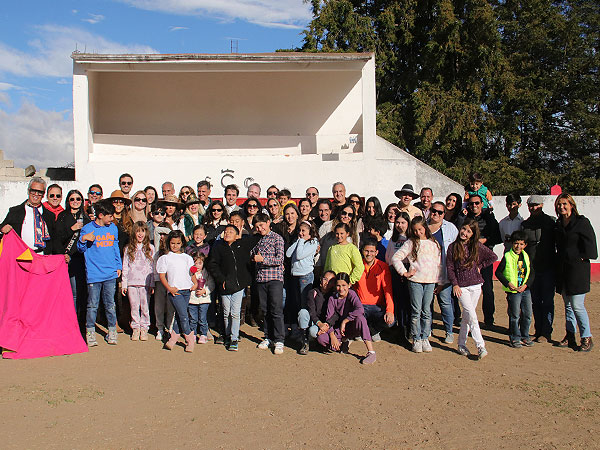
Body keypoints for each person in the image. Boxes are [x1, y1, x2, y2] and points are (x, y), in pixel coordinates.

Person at [446, 219, 498, 359]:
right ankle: (480, 346)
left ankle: (461, 344)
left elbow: (493, 256)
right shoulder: (453, 247)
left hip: (475, 285)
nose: (464, 232)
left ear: (473, 234)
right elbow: (450, 267)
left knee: (468, 317)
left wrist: (480, 267)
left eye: (469, 231)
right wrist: (455, 284)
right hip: (461, 287)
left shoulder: (476, 246)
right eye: (463, 229)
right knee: (472, 315)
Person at [554, 193, 597, 352]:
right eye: (559, 204)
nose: (562, 207)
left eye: (565, 204)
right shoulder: (558, 224)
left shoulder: (582, 222)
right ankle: (570, 335)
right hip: (563, 270)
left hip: (578, 270)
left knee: (577, 305)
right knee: (568, 306)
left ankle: (586, 337)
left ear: (572, 205)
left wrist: (581, 258)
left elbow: (591, 246)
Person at [391, 216, 441, 353]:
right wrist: (404, 272)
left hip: (430, 282)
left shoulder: (433, 243)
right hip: (415, 281)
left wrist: (439, 281)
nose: (418, 232)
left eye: (420, 229)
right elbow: (396, 257)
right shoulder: (411, 243)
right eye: (415, 230)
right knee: (416, 311)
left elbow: (439, 264)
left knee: (426, 311)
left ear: (425, 228)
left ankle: (425, 337)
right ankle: (416, 338)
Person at [77, 200, 122, 347]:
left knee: (110, 304)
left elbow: (115, 247)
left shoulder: (113, 228)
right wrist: (83, 239)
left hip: (110, 273)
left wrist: (118, 265)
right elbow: (80, 249)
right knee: (92, 305)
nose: (112, 219)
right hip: (94, 274)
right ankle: (90, 331)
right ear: (101, 215)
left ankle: (112, 330)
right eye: (109, 216)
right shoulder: (87, 229)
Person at [207, 224, 254, 351]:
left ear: (237, 235)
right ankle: (227, 335)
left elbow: (254, 238)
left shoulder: (242, 245)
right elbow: (213, 264)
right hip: (224, 285)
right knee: (226, 312)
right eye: (226, 231)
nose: (227, 233)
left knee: (235, 312)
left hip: (238, 285)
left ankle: (234, 337)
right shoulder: (218, 247)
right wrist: (220, 279)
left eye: (231, 232)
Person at [316, 272, 377, 364]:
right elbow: (329, 318)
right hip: (338, 330)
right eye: (338, 286)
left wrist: (345, 321)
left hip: (351, 326)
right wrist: (332, 336)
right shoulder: (332, 299)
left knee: (360, 319)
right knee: (321, 338)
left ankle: (371, 352)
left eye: (344, 285)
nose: (341, 289)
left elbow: (360, 309)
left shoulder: (351, 294)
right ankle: (343, 344)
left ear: (349, 285)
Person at [521, 195, 556, 342]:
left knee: (547, 301)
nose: (533, 208)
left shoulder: (551, 222)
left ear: (541, 205)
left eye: (536, 205)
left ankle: (546, 331)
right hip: (532, 268)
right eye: (531, 206)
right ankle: (538, 330)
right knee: (535, 301)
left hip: (548, 266)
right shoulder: (525, 225)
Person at [250, 213, 286, 355]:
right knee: (265, 310)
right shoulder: (257, 240)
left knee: (276, 310)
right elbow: (252, 255)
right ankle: (268, 336)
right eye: (257, 226)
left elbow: (279, 259)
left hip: (275, 279)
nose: (260, 228)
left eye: (262, 225)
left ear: (268, 222)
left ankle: (279, 340)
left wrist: (262, 259)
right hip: (261, 279)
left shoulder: (277, 238)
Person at [156, 230, 197, 352]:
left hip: (187, 289)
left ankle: (173, 339)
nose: (175, 246)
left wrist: (195, 283)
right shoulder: (165, 258)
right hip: (175, 291)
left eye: (178, 243)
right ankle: (190, 339)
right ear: (169, 243)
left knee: (181, 314)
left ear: (182, 243)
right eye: (173, 243)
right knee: (184, 316)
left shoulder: (187, 258)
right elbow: (162, 276)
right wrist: (169, 288)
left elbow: (192, 273)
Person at [54, 189, 90, 327]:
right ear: (68, 201)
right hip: (69, 259)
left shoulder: (86, 218)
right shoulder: (63, 217)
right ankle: (71, 322)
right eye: (72, 199)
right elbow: (57, 238)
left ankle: (82, 321)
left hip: (83, 259)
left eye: (78, 199)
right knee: (73, 293)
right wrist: (72, 228)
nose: (75, 202)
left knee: (83, 293)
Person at [466, 194, 501, 327]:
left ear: (481, 204)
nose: (474, 206)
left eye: (476, 203)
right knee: (468, 289)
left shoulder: (489, 218)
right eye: (471, 204)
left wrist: (485, 241)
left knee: (487, 289)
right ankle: (469, 317)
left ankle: (489, 319)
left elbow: (497, 237)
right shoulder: (466, 218)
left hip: (485, 258)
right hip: (469, 258)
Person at [495, 230, 534, 348]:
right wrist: (508, 284)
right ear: (512, 243)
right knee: (515, 315)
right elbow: (498, 272)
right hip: (514, 291)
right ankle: (514, 337)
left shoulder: (526, 256)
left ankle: (525, 336)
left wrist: (526, 285)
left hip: (525, 290)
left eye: (521, 244)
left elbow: (532, 273)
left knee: (527, 314)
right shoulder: (507, 256)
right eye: (516, 243)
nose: (518, 246)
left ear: (525, 245)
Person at [427, 201, 459, 343]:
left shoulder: (450, 228)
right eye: (434, 210)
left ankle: (449, 331)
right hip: (427, 273)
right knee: (427, 304)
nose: (436, 214)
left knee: (445, 303)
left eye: (440, 212)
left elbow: (457, 249)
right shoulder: (423, 227)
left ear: (444, 214)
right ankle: (427, 329)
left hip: (444, 272)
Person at [354, 239, 395, 342]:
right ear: (362, 251)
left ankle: (372, 331)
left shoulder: (383, 267)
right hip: (361, 306)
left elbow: (387, 290)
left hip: (378, 307)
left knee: (391, 322)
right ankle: (362, 330)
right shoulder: (357, 266)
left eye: (372, 251)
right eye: (366, 251)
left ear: (376, 252)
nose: (369, 254)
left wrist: (389, 311)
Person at [286, 220, 319, 349]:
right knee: (296, 303)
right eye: (300, 230)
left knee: (304, 305)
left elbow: (299, 255)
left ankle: (306, 334)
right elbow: (288, 254)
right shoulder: (299, 242)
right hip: (295, 276)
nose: (301, 233)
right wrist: (298, 241)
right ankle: (299, 330)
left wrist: (300, 242)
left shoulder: (312, 242)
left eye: (304, 231)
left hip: (305, 277)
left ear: (310, 233)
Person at [1, 177, 55, 254]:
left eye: (40, 192)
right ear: (28, 191)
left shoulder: (50, 215)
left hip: (41, 256)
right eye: (33, 191)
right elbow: (2, 227)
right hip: (20, 255)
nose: (36, 194)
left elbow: (55, 239)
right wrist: (2, 229)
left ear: (43, 194)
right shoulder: (15, 211)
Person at [121, 221, 155, 341]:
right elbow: (125, 266)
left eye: (143, 231)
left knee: (145, 306)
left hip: (145, 283)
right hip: (131, 282)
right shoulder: (128, 248)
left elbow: (152, 267)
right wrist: (124, 284)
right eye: (137, 231)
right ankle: (135, 327)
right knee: (134, 306)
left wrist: (152, 283)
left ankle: (144, 327)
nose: (140, 234)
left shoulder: (150, 248)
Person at [297, 270, 336, 355]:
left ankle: (315, 342)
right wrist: (319, 323)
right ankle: (304, 342)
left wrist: (327, 325)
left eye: (330, 281)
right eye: (325, 279)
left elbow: (336, 314)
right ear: (321, 279)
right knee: (303, 312)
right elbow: (312, 311)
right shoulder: (313, 292)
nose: (327, 282)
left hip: (326, 324)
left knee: (313, 331)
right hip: (315, 321)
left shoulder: (334, 296)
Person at [152, 223, 173, 341]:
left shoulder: (173, 247)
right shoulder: (156, 248)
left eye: (165, 234)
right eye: (162, 234)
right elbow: (156, 230)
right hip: (159, 280)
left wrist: (170, 235)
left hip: (171, 280)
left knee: (170, 306)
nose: (162, 237)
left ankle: (169, 328)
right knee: (159, 306)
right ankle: (159, 328)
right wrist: (163, 235)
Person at [188, 252, 215, 344]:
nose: (197, 265)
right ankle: (193, 333)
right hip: (192, 300)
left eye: (200, 263)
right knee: (193, 319)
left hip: (204, 300)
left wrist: (205, 291)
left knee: (202, 318)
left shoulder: (206, 273)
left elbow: (211, 284)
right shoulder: (190, 274)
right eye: (195, 263)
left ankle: (203, 334)